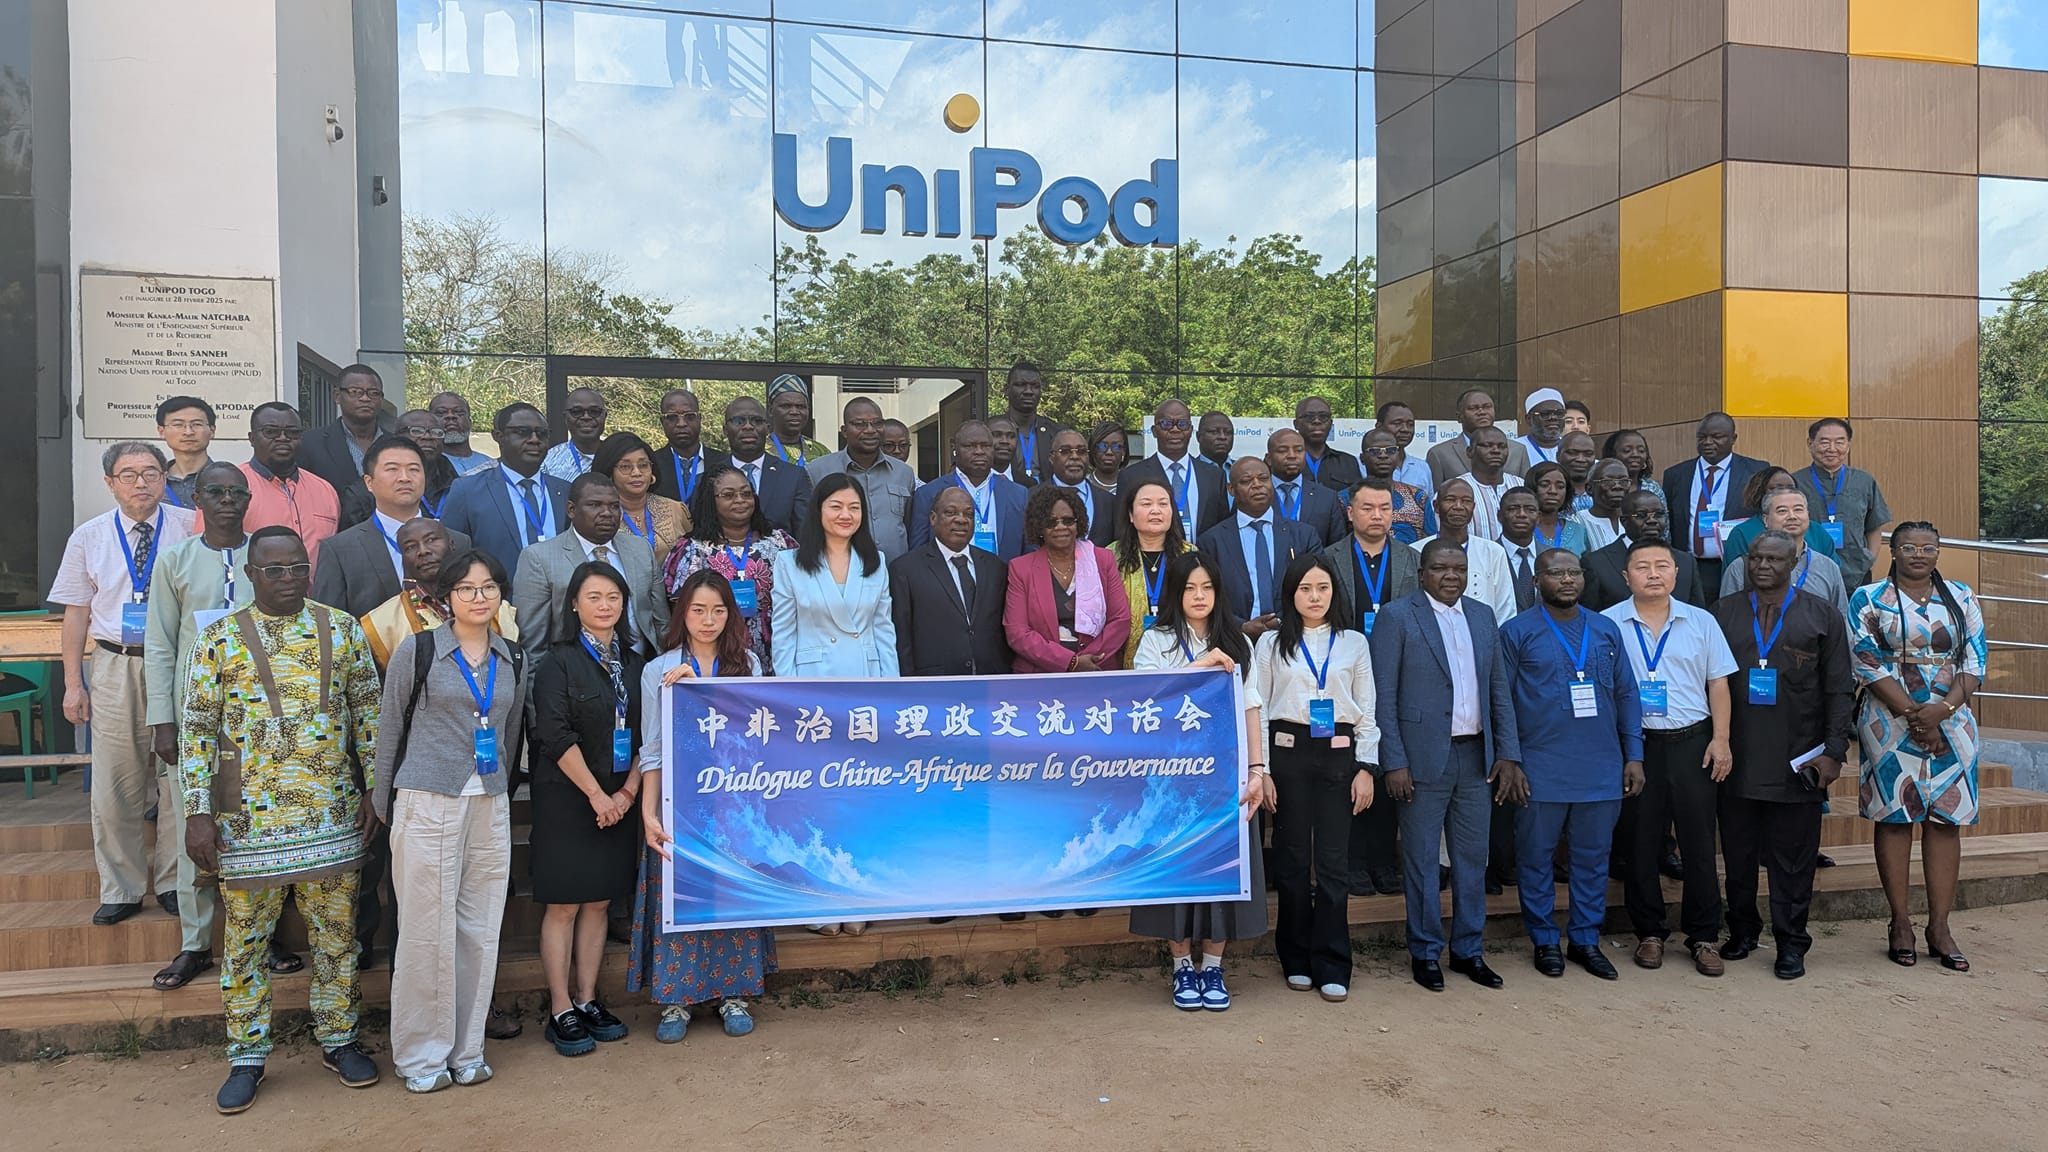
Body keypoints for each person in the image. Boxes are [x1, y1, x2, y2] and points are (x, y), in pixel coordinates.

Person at [178, 527, 383, 1113]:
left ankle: (339, 1040)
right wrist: (197, 812)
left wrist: (375, 788)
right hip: (247, 824)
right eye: (275, 569)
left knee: (338, 937)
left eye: (298, 567)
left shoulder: (342, 628)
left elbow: (367, 712)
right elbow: (196, 730)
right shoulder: (217, 639)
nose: (289, 577)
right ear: (250, 573)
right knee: (244, 943)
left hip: (334, 814)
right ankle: (247, 1055)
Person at [372, 549, 527, 1094]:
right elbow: (390, 729)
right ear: (445, 598)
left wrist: (499, 788)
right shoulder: (417, 653)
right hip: (426, 795)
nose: (479, 598)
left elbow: (510, 734)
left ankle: (467, 1049)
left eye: (488, 588)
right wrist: (382, 803)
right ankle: (420, 1057)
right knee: (423, 929)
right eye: (466, 588)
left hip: (488, 799)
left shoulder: (513, 658)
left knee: (479, 928)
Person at [632, 570, 777, 1043]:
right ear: (682, 613)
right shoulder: (659, 669)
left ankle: (734, 994)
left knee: (734, 894)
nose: (708, 620)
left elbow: (753, 740)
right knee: (681, 898)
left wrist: (703, 692)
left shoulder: (748, 664)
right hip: (682, 804)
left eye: (718, 610)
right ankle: (676, 1001)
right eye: (698, 610)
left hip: (736, 803)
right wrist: (648, 813)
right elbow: (651, 748)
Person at [51, 442, 190, 927]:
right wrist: (73, 683)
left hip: (177, 662)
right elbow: (76, 613)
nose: (141, 483)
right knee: (116, 780)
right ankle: (123, 887)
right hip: (115, 662)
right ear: (109, 482)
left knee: (179, 776)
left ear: (164, 479)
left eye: (151, 473)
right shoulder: (88, 537)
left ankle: (174, 881)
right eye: (128, 474)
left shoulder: (190, 526)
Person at [1371, 539, 1519, 992]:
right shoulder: (1397, 616)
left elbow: (1498, 691)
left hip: (1477, 757)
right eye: (1440, 569)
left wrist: (1508, 752)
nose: (1450, 576)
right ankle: (1425, 952)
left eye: (1459, 569)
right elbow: (1384, 697)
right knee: (1420, 861)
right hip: (1420, 759)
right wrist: (1393, 760)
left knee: (1473, 859)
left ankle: (1469, 951)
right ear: (1423, 573)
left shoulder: (1482, 615)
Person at [1129, 552, 1270, 1011]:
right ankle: (1179, 968)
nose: (1199, 596)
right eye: (1190, 588)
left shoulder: (1238, 643)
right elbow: (1147, 701)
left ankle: (1212, 964)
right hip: (1171, 781)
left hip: (1227, 778)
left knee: (1224, 874)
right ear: (1176, 592)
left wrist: (1257, 772)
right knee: (1177, 875)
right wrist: (1200, 666)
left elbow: (1252, 710)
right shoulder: (1157, 641)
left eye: (1207, 587)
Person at [1714, 532, 1853, 980]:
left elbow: (1839, 689)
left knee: (1793, 862)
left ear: (1793, 563)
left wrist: (1834, 752)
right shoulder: (1723, 613)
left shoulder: (1822, 614)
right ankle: (1741, 931)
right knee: (1737, 855)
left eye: (1775, 558)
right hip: (1736, 758)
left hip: (1799, 760)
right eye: (1756, 557)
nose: (1763, 565)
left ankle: (1791, 943)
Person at [1499, 548, 1643, 980]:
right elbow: (1500, 701)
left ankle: (1584, 939)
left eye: (1573, 572)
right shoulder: (1516, 632)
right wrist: (1511, 759)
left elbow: (1626, 694)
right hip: (1539, 767)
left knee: (1592, 859)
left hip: (1600, 765)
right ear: (1536, 582)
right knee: (1536, 858)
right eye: (1555, 573)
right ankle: (1544, 940)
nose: (1566, 580)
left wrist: (1633, 754)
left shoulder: (1605, 630)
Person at [1849, 524, 1986, 973]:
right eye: (1908, 547)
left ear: (1939, 551)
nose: (1919, 554)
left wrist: (1941, 711)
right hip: (1888, 721)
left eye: (1929, 547)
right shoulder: (1868, 599)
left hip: (1952, 719)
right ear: (1893, 549)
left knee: (1945, 821)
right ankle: (1901, 923)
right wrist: (1914, 714)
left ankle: (1940, 927)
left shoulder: (1962, 597)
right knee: (1895, 818)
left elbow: (1975, 660)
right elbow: (1865, 660)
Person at [1602, 539, 1737, 976]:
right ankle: (1650, 933)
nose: (1653, 573)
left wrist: (1721, 740)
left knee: (1699, 842)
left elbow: (1718, 684)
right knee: (1641, 842)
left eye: (1663, 565)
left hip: (1693, 742)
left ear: (1677, 574)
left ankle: (1703, 936)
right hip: (1637, 747)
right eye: (1642, 567)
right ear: (1627, 577)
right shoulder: (1608, 625)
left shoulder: (1701, 622)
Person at [143, 462, 254, 989]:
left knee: (259, 825)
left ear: (249, 498)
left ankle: (266, 936)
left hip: (262, 718)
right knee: (197, 826)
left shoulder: (270, 554)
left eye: (236, 491)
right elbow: (161, 644)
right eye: (216, 491)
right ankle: (195, 943)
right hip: (195, 719)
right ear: (198, 500)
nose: (227, 499)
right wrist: (162, 720)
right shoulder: (175, 560)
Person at [528, 560, 644, 1056]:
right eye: (594, 597)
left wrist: (626, 795)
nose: (605, 606)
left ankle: (588, 998)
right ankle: (560, 1008)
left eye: (613, 598)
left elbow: (650, 736)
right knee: (564, 905)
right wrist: (598, 796)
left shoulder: (638, 663)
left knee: (598, 902)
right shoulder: (556, 662)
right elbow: (553, 734)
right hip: (569, 799)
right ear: (574, 604)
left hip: (620, 800)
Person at [774, 474, 898, 934]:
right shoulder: (790, 563)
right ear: (818, 511)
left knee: (860, 794)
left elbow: (884, 631)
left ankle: (856, 893)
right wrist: (786, 697)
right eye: (835, 506)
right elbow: (783, 635)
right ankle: (819, 902)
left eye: (854, 507)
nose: (845, 515)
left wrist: (892, 693)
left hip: (865, 689)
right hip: (812, 693)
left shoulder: (876, 561)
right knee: (816, 796)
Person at [1250, 554, 1377, 1002]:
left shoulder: (1354, 643)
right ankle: (1296, 957)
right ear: (1290, 594)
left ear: (1334, 592)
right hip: (1287, 755)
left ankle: (1332, 961)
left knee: (1333, 864)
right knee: (1291, 860)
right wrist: (1261, 771)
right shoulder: (1269, 644)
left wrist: (1366, 768)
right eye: (1305, 589)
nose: (1314, 597)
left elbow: (1368, 711)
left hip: (1340, 757)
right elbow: (1259, 708)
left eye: (1322, 588)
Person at [1321, 480, 1418, 895]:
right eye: (1367, 508)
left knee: (1389, 763)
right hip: (1346, 674)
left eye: (1384, 508)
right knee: (1351, 767)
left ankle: (1383, 860)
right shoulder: (1327, 560)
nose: (1376, 515)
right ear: (1350, 513)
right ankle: (1354, 861)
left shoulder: (1413, 559)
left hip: (1399, 674)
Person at [313, 435, 473, 621]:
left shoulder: (458, 541)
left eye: (414, 469)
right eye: (392, 469)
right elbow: (329, 623)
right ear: (368, 482)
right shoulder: (339, 550)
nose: (404, 478)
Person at [515, 473, 669, 657]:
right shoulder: (539, 558)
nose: (606, 513)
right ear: (571, 510)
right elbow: (532, 642)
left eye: (613, 506)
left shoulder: (640, 549)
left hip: (641, 669)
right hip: (574, 678)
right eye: (595, 505)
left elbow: (662, 621)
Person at [664, 462, 796, 670]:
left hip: (778, 649)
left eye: (746, 493)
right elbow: (681, 610)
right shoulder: (692, 549)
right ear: (711, 500)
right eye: (728, 495)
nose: (740, 500)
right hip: (715, 653)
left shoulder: (780, 543)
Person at [1005, 483, 1131, 674]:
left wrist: (1088, 661)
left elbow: (1120, 619)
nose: (1060, 527)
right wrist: (1070, 662)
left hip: (1097, 669)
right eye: (1051, 522)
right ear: (1039, 528)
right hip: (1040, 673)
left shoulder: (1103, 560)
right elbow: (1017, 632)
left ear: (1078, 523)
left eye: (1068, 520)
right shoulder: (1020, 568)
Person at [438, 402, 572, 582]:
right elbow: (452, 556)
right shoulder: (467, 490)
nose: (534, 439)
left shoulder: (565, 490)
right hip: (497, 603)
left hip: (560, 602)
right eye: (522, 432)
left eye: (542, 434)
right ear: (498, 436)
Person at [890, 487, 1011, 676]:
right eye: (950, 512)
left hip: (990, 682)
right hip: (934, 686)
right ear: (932, 518)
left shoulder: (996, 567)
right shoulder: (905, 569)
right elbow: (903, 639)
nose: (961, 519)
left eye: (968, 514)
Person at [1197, 458, 1320, 638]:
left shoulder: (1303, 535)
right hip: (1234, 639)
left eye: (1263, 479)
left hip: (1294, 636)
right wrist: (1241, 626)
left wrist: (1283, 622)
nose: (1257, 485)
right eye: (1246, 481)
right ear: (1231, 489)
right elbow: (1206, 596)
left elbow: (1319, 587)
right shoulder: (1211, 541)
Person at [1663, 411, 1771, 595]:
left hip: (1735, 563)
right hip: (1688, 565)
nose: (1707, 442)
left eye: (1716, 437)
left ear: (1733, 438)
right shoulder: (1676, 474)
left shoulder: (1756, 471)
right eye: (1702, 437)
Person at [808, 396, 917, 559]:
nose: (870, 430)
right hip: (840, 574)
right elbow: (810, 526)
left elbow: (908, 525)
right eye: (859, 424)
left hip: (895, 575)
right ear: (844, 431)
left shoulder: (904, 473)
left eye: (877, 423)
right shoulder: (817, 471)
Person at [238, 403, 342, 571]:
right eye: (271, 431)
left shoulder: (325, 490)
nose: (283, 438)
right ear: (251, 438)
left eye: (292, 433)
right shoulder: (232, 487)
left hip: (316, 596)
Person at [1720, 488, 1852, 618]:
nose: (1792, 516)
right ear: (1765, 520)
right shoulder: (1742, 568)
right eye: (1782, 511)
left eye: (1798, 510)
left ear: (1808, 515)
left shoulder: (1828, 567)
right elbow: (1727, 619)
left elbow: (1841, 618)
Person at [909, 419, 1030, 561]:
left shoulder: (1018, 494)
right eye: (970, 446)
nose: (979, 452)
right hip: (946, 580)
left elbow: (1029, 550)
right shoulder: (928, 493)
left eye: (985, 446)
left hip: (1004, 579)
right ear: (955, 448)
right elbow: (918, 552)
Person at [1797, 418, 1891, 590]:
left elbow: (1874, 527)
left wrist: (1868, 559)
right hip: (1808, 571)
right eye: (1824, 442)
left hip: (1856, 571)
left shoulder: (1863, 481)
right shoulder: (1795, 481)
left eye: (1840, 442)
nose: (1832, 449)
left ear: (1848, 445)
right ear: (1810, 443)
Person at [1113, 477, 1196, 667]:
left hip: (1179, 657)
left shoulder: (1190, 554)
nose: (1156, 510)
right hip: (1123, 658)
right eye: (1146, 504)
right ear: (1131, 515)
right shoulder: (1110, 556)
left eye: (1163, 504)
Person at [1583, 489, 1708, 611]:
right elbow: (1590, 617)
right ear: (1624, 521)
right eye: (1641, 515)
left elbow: (1697, 614)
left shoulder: (1686, 561)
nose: (1652, 521)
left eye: (1659, 514)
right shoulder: (1596, 563)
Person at [1413, 478, 1515, 626]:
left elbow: (1505, 611)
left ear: (1473, 507)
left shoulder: (1493, 551)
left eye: (1466, 501)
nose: (1458, 507)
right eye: (1450, 500)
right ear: (1436, 506)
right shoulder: (1416, 550)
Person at [299, 364, 397, 519]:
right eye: (355, 392)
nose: (365, 398)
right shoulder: (310, 443)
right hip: (334, 536)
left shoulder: (397, 444)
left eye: (373, 393)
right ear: (337, 396)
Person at [1124, 398, 1229, 539]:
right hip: (1153, 559)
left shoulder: (1214, 476)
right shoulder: (1131, 476)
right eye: (1167, 424)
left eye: (1182, 424)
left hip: (1202, 559)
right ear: (1154, 431)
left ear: (1191, 430)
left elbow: (1222, 528)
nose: (1175, 429)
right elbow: (1123, 530)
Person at [713, 397, 814, 536]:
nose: (748, 426)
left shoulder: (793, 477)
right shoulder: (710, 477)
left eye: (757, 421)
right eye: (738, 421)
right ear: (725, 429)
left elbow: (804, 534)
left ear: (767, 428)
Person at [594, 431, 692, 564]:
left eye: (643, 465)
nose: (636, 473)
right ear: (609, 472)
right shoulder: (599, 515)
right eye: (625, 467)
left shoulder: (675, 509)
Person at [1722, 466, 1840, 569]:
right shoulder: (1742, 533)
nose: (1784, 493)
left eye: (1791, 488)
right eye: (1776, 488)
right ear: (1760, 492)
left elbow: (1834, 574)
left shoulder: (1817, 531)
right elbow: (1734, 580)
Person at [1427, 388, 1532, 489]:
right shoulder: (1439, 454)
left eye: (1487, 407)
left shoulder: (1518, 450)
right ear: (1459, 416)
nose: (1482, 412)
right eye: (1473, 408)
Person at [1268, 428, 1350, 548]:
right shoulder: (1254, 495)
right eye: (1282, 451)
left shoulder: (1327, 497)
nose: (1292, 456)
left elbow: (1338, 547)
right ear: (1269, 459)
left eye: (1299, 450)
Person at [1357, 428, 1436, 545]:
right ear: (1362, 458)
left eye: (1390, 450)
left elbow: (1432, 540)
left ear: (1398, 455)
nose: (1383, 455)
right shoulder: (1347, 498)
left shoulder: (1419, 497)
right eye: (1375, 451)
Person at [1044, 427, 1114, 547]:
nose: (1075, 457)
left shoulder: (1110, 502)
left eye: (1081, 452)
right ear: (1051, 457)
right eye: (1065, 451)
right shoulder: (1031, 497)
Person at [1452, 425, 1524, 542]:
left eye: (1502, 447)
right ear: (1470, 451)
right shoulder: (1454, 489)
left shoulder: (1521, 485)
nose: (1496, 451)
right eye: (1487, 446)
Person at [996, 361, 1063, 484]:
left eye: (1035, 386)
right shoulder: (991, 431)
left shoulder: (1057, 432)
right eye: (1021, 385)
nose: (1029, 391)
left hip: (1047, 499)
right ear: (1006, 390)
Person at [391, 409, 460, 519]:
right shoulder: (378, 485)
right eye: (417, 431)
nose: (428, 437)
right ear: (396, 437)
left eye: (436, 432)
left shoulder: (457, 485)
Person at [157, 396, 217, 512]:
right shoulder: (153, 482)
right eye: (178, 425)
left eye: (197, 424)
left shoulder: (227, 479)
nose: (188, 432)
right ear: (161, 431)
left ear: (212, 431)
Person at [648, 388, 707, 504]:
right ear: (662, 421)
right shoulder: (651, 465)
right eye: (672, 417)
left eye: (689, 416)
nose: (681, 424)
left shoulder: (722, 461)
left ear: (699, 418)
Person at [1295, 396, 1363, 492]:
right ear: (1296, 424)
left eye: (1323, 416)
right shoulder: (1287, 461)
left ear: (1330, 423)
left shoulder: (1348, 462)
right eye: (1309, 416)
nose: (1317, 421)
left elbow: (1357, 499)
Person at [541, 386, 609, 482]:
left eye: (594, 411)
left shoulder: (619, 458)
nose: (586, 417)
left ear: (604, 416)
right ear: (565, 417)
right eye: (577, 412)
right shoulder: (548, 462)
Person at [1520, 462, 1589, 555]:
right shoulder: (1521, 529)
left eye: (1560, 487)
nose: (1553, 491)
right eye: (1544, 485)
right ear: (1532, 487)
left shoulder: (1579, 531)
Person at [1497, 488, 1545, 617]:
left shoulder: (1552, 556)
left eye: (1530, 510)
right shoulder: (1486, 555)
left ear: (1539, 517)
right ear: (1499, 516)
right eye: (1513, 509)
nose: (1522, 514)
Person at [765, 373, 829, 466]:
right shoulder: (758, 451)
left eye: (800, 406)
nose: (794, 412)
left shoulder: (821, 452)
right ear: (770, 410)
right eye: (786, 406)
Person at [431, 391, 498, 476]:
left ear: (470, 422)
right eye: (441, 412)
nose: (450, 416)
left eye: (459, 412)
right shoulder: (424, 465)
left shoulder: (492, 466)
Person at [1573, 458, 1634, 552]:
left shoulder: (1635, 520)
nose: (1617, 486)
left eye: (1624, 481)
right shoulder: (1576, 522)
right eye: (1607, 481)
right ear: (1589, 489)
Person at [1372, 400, 1434, 490]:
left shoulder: (1422, 467)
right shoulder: (1362, 465)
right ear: (1379, 427)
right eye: (1397, 423)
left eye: (1410, 424)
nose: (1405, 429)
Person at [1085, 418, 1129, 530]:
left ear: (1124, 451)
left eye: (1116, 447)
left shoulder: (1133, 485)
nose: (1109, 452)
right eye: (1102, 446)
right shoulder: (1083, 486)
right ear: (1093, 450)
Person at [1601, 428, 1662, 501]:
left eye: (1641, 451)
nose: (1635, 454)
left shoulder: (1653, 488)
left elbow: (1662, 512)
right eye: (1627, 451)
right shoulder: (1601, 486)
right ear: (1612, 455)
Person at [1516, 388, 1568, 466]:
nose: (1553, 418)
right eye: (1545, 414)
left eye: (1559, 413)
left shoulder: (1571, 447)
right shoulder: (1515, 448)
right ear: (1529, 419)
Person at [1558, 432, 1600, 513]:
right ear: (1558, 456)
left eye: (1588, 454)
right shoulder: (1548, 490)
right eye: (1572, 453)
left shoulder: (1603, 491)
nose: (1580, 459)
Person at [1197, 411, 1236, 478]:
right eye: (1214, 432)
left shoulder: (1243, 470)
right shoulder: (1190, 470)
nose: (1222, 437)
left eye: (1228, 432)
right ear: (1199, 436)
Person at [987, 413, 1023, 483]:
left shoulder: (1029, 484)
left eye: (1011, 436)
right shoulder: (968, 482)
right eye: (997, 435)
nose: (1005, 441)